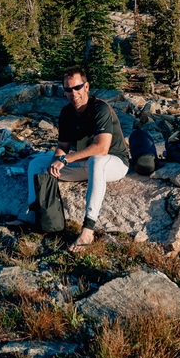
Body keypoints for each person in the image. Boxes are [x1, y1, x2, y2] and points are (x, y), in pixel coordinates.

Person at [23, 66, 129, 252]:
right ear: (64, 91)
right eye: (68, 89)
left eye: (77, 87)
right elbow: (62, 147)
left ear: (86, 86)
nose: (74, 93)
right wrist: (55, 162)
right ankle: (34, 214)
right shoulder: (66, 113)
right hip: (86, 164)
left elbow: (102, 148)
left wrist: (64, 160)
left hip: (114, 163)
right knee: (37, 163)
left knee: (96, 160)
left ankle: (88, 229)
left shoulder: (100, 108)